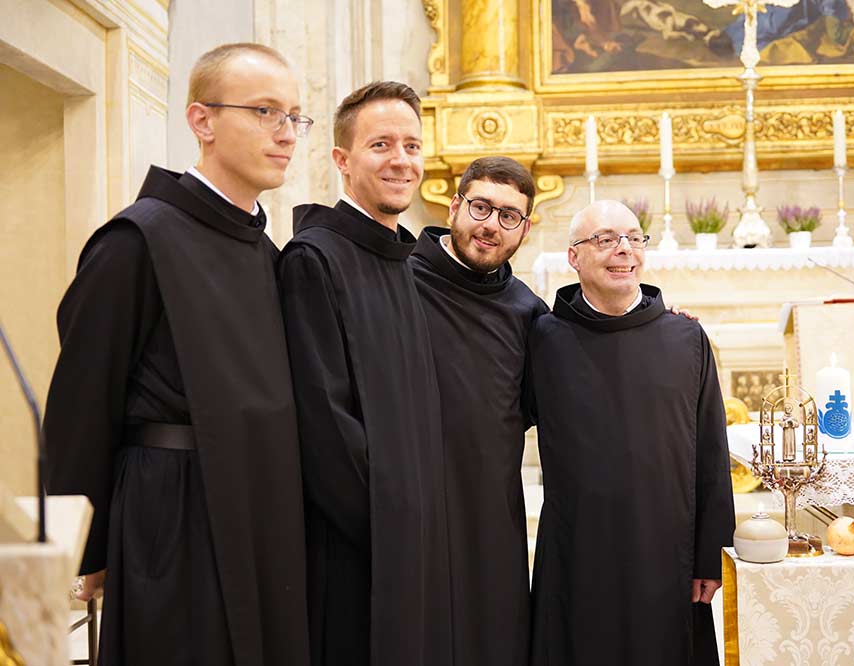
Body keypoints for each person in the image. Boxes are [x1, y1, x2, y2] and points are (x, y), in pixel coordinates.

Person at [43, 43, 312, 666]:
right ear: (202, 121)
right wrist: (86, 546)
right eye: (265, 111)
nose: (285, 133)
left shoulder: (268, 252)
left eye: (295, 117)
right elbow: (83, 401)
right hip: (173, 509)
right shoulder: (137, 240)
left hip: (262, 506)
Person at [279, 81, 452, 666]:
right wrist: (389, 521)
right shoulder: (314, 258)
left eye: (412, 145)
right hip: (356, 542)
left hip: (406, 534)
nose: (402, 160)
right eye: (381, 145)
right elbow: (322, 419)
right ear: (342, 159)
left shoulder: (400, 260)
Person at [528, 200, 735, 666]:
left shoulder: (686, 339)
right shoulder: (543, 338)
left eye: (634, 238)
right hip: (577, 548)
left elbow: (711, 448)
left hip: (666, 549)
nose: (623, 250)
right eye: (605, 239)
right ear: (574, 256)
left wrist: (710, 553)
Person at [408, 156, 549, 666]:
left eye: (509, 215)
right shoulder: (399, 278)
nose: (491, 225)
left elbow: (554, 395)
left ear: (525, 229)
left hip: (490, 507)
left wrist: (653, 321)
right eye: (481, 207)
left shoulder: (527, 310)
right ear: (454, 206)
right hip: (411, 499)